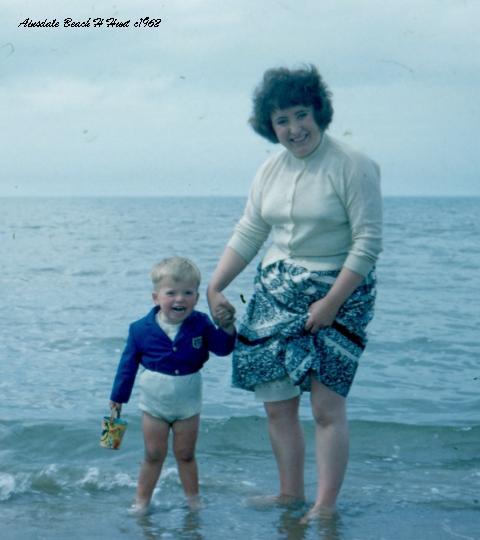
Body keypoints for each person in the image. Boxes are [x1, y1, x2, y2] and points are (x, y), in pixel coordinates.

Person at [207, 65, 382, 520]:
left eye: (300, 115)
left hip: (339, 288)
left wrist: (331, 303)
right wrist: (215, 285)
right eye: (281, 120)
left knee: (326, 407)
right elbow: (250, 231)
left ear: (318, 112)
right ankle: (290, 494)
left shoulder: (353, 165)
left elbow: (367, 244)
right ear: (270, 126)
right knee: (277, 403)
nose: (293, 128)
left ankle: (324, 505)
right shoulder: (270, 169)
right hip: (277, 288)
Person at [109, 256, 236, 514]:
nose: (180, 299)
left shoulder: (201, 323)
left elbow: (223, 349)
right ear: (156, 297)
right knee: (154, 454)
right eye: (171, 293)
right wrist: (117, 400)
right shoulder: (139, 329)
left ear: (197, 298)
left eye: (188, 293)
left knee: (185, 454)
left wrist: (227, 326)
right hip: (154, 404)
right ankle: (142, 502)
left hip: (188, 402)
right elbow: (127, 366)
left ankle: (193, 501)